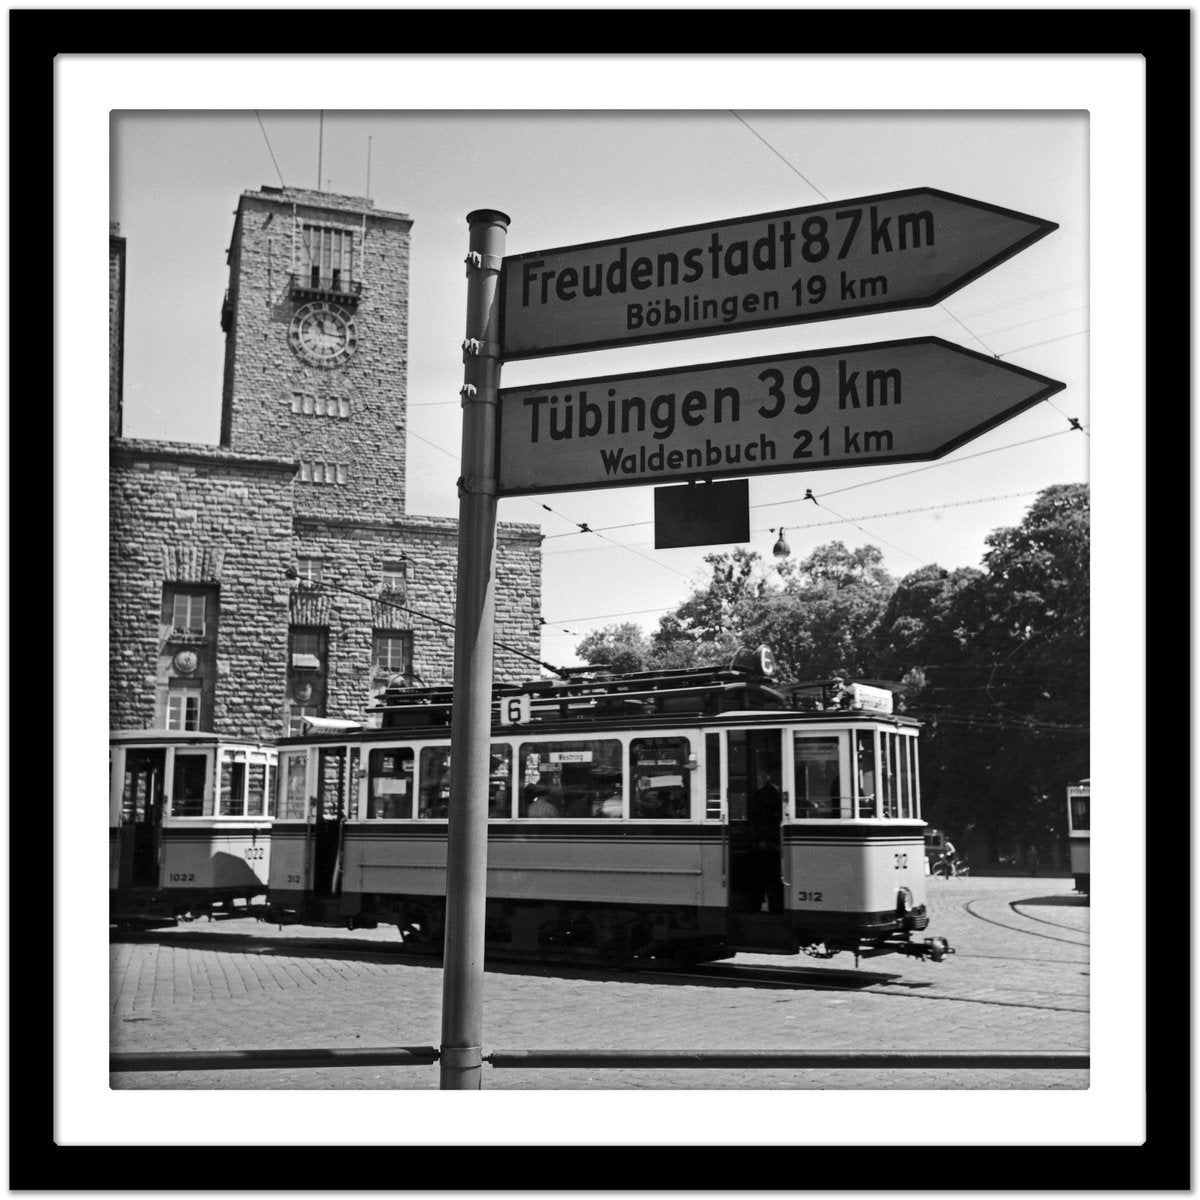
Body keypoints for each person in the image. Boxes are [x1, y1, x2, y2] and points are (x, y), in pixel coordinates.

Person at [749, 767, 784, 912]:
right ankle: (770, 906)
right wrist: (768, 842)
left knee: (767, 878)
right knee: (770, 877)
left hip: (768, 843)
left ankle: (764, 905)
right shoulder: (766, 794)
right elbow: (763, 820)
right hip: (768, 844)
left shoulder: (767, 792)